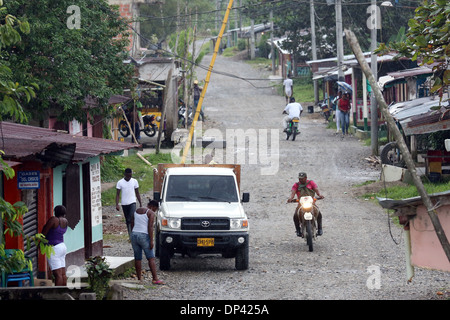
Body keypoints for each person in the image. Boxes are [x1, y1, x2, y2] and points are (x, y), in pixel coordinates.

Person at [130, 200, 164, 285]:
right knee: (151, 258)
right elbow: (150, 227)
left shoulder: (136, 210)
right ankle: (155, 279)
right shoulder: (150, 213)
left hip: (134, 234)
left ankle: (139, 279)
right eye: (155, 209)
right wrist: (151, 240)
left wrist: (133, 233)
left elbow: (132, 222)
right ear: (153, 207)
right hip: (144, 236)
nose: (155, 211)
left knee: (138, 258)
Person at [287, 172, 324, 237]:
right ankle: (298, 230)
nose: (300, 180)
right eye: (299, 179)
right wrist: (290, 198)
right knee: (295, 215)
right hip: (301, 204)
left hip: (311, 203)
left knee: (318, 213)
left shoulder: (311, 183)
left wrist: (320, 195)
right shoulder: (296, 185)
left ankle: (320, 229)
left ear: (306, 178)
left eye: (302, 179)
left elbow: (316, 190)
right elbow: (292, 193)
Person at [42, 205, 68, 286]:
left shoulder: (54, 220)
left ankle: (57, 293)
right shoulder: (65, 221)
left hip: (54, 248)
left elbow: (44, 232)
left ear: (55, 211)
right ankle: (64, 292)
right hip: (62, 246)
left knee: (57, 274)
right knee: (63, 273)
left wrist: (39, 244)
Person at [116, 168, 142, 238]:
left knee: (131, 217)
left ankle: (134, 233)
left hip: (132, 202)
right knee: (127, 219)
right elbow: (118, 194)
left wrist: (140, 203)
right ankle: (130, 234)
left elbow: (137, 192)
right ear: (125, 175)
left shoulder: (134, 181)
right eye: (128, 176)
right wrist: (117, 204)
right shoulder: (120, 182)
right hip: (124, 203)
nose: (129, 177)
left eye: (130, 176)